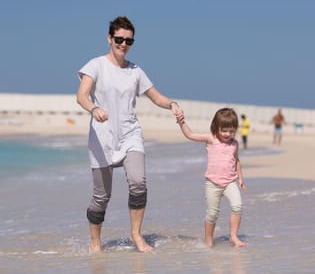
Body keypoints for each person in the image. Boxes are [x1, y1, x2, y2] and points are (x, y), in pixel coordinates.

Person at [76, 16, 183, 253]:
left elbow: (155, 96)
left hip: (130, 134)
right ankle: (95, 243)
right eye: (119, 39)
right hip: (102, 138)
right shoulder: (95, 65)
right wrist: (93, 108)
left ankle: (136, 235)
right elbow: (81, 95)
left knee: (138, 183)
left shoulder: (135, 71)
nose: (123, 44)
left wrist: (172, 104)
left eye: (129, 40)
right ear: (109, 38)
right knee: (101, 197)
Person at [177, 108, 247, 248]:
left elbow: (236, 160)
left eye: (232, 131)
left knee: (237, 206)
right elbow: (190, 135)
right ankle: (209, 241)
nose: (228, 134)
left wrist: (240, 178)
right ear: (216, 127)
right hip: (212, 184)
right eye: (224, 130)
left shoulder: (234, 144)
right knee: (212, 214)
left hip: (230, 182)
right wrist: (181, 121)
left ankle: (234, 236)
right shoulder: (211, 139)